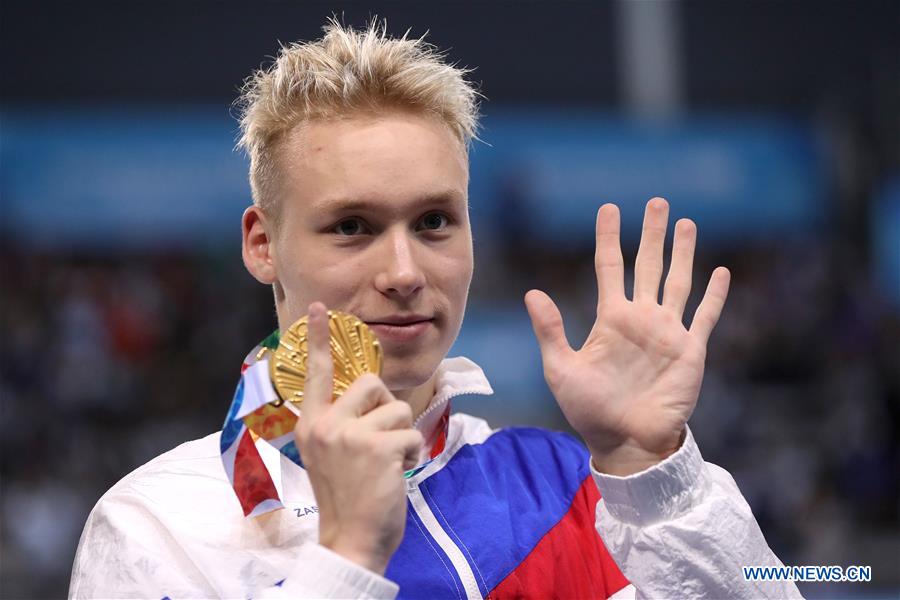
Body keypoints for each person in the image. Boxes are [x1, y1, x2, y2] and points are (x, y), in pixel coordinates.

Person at [69, 19, 802, 599]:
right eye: (352, 226)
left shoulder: (577, 483)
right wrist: (346, 559)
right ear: (263, 245)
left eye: (434, 222)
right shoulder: (158, 524)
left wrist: (652, 473)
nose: (403, 272)